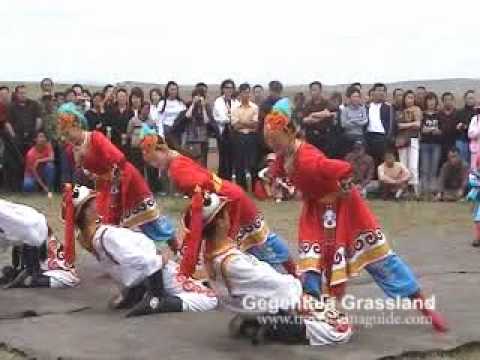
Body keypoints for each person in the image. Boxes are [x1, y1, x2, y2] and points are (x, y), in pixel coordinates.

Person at [263, 111, 447, 332]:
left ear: (289, 133)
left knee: (379, 258)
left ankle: (425, 309)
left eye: (275, 139)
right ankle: (319, 311)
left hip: (346, 209)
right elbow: (279, 166)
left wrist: (345, 184)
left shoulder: (310, 159)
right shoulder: (285, 154)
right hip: (315, 211)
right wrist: (272, 175)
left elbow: (343, 168)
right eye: (268, 141)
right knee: (311, 259)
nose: (272, 145)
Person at [182, 192, 353, 345]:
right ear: (219, 223)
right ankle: (273, 327)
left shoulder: (211, 252)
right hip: (263, 303)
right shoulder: (231, 262)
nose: (230, 216)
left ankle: (256, 320)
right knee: (339, 329)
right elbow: (277, 285)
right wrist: (299, 287)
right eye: (226, 214)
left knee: (307, 296)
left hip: (248, 300)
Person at [140, 131, 297, 275]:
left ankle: (288, 273)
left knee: (254, 240)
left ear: (162, 150)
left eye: (154, 160)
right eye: (151, 163)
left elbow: (200, 188)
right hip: (227, 197)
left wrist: (194, 232)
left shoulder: (176, 169)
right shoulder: (177, 159)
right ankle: (290, 271)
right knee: (256, 237)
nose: (155, 165)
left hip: (227, 201)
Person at [68, 185, 217, 317]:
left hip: (142, 278)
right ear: (87, 212)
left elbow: (120, 264)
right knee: (210, 298)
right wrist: (159, 261)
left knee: (200, 281)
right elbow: (139, 260)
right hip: (158, 273)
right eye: (92, 202)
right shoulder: (106, 235)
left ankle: (137, 294)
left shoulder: (85, 238)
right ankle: (158, 301)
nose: (97, 204)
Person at [57, 102, 175, 243]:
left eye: (68, 133)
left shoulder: (95, 138)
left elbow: (118, 159)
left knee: (148, 217)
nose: (67, 138)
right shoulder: (72, 150)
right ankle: (120, 255)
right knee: (107, 224)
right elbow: (86, 173)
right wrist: (90, 173)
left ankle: (175, 245)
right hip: (104, 185)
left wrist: (114, 182)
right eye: (64, 135)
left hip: (126, 178)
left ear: (76, 125)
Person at [0, 198, 79, 288]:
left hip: (62, 276)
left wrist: (12, 285)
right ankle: (20, 275)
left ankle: (24, 277)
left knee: (30, 280)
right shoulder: (22, 234)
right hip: (44, 262)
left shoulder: (31, 238)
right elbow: (17, 260)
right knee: (9, 270)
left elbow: (28, 270)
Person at [171, 88, 212, 167]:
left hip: (203, 141)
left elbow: (207, 121)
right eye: (196, 96)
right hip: (191, 141)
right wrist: (193, 104)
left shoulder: (206, 109)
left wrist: (203, 107)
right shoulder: (188, 109)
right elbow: (187, 116)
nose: (198, 98)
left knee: (202, 165)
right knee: (191, 164)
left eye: (201, 96)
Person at [230, 83, 259, 191]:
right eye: (243, 93)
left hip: (251, 137)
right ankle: (241, 188)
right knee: (239, 163)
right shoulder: (234, 108)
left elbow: (255, 125)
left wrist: (242, 122)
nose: (245, 95)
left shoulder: (255, 107)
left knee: (253, 163)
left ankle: (255, 188)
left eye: (247, 92)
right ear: (240, 94)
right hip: (239, 137)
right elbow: (236, 126)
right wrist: (248, 122)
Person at [396, 90, 422, 197]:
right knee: (403, 165)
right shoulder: (400, 111)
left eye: (412, 97)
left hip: (413, 140)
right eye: (408, 97)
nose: (409, 100)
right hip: (402, 140)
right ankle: (403, 189)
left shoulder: (417, 109)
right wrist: (411, 124)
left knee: (413, 166)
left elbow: (418, 124)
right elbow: (398, 126)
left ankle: (415, 190)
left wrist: (406, 125)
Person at [301, 81, 337, 156]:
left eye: (315, 90)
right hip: (311, 136)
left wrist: (313, 114)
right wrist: (321, 116)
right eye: (311, 90)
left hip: (325, 136)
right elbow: (304, 120)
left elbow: (328, 113)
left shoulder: (327, 102)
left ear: (320, 90)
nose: (313, 92)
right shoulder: (307, 104)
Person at [213, 79, 239, 181]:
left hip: (234, 131)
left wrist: (231, 118)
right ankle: (222, 180)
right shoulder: (218, 101)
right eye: (227, 87)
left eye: (231, 88)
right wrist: (229, 119)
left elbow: (237, 115)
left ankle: (230, 179)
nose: (229, 90)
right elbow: (218, 117)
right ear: (223, 89)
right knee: (223, 157)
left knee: (232, 156)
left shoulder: (236, 102)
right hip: (223, 131)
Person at [365, 83, 395, 167]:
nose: (381, 93)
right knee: (371, 163)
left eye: (383, 91)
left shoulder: (388, 107)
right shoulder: (367, 106)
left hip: (382, 138)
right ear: (373, 92)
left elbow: (391, 124)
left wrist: (387, 138)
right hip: (369, 137)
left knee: (383, 164)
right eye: (378, 90)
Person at [419, 92, 442, 198]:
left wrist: (437, 131)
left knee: (434, 169)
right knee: (424, 168)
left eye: (433, 100)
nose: (431, 102)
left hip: (436, 144)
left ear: (436, 101)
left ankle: (432, 190)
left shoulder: (439, 115)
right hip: (425, 144)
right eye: (429, 100)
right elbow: (422, 129)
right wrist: (431, 129)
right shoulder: (422, 114)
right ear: (426, 102)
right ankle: (424, 190)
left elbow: (442, 130)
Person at [9, 85, 42, 155]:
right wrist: (14, 136)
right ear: (16, 94)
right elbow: (8, 123)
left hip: (32, 137)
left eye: (24, 93)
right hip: (18, 138)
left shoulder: (34, 104)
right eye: (21, 93)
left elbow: (38, 119)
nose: (23, 95)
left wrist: (35, 132)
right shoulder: (11, 106)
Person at [340, 86, 368, 154]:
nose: (356, 99)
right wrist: (358, 121)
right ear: (350, 98)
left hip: (360, 135)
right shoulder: (345, 110)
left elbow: (365, 121)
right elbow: (343, 124)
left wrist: (352, 121)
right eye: (354, 96)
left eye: (357, 96)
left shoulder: (363, 109)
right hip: (349, 136)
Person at [456, 90, 476, 165]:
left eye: (472, 98)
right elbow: (457, 125)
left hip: (475, 142)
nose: (471, 100)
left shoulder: (477, 112)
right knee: (463, 164)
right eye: (469, 98)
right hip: (462, 140)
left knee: (473, 164)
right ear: (465, 99)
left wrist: (466, 126)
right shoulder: (459, 112)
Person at [439, 92, 458, 164]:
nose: (448, 102)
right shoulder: (439, 114)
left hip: (454, 143)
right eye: (446, 100)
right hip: (441, 144)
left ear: (453, 101)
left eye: (450, 100)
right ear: (443, 102)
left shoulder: (457, 113)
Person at [467, 100, 480, 170]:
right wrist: (478, 131)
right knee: (474, 172)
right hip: (476, 151)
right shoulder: (475, 119)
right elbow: (470, 134)